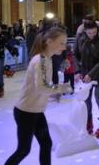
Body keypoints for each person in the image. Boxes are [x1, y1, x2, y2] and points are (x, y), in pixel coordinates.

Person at [5, 27, 71, 165]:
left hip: (36, 111)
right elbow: (42, 87)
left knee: (46, 143)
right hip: (26, 112)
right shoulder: (40, 60)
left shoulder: (47, 59)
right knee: (23, 150)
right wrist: (61, 88)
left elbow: (41, 88)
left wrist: (53, 94)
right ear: (49, 42)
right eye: (61, 43)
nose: (64, 48)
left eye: (65, 43)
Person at [75, 20, 99, 138]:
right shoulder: (81, 38)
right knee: (86, 99)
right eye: (89, 33)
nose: (92, 35)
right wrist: (78, 71)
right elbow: (76, 54)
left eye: (94, 32)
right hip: (85, 74)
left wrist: (91, 74)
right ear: (85, 31)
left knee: (98, 97)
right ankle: (88, 122)